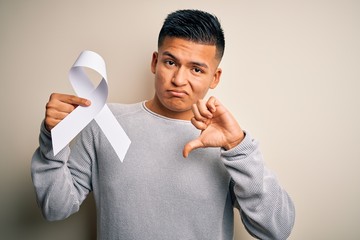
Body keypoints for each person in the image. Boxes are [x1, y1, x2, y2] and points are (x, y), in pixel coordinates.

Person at [31, 9, 295, 240]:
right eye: (171, 62)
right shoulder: (104, 123)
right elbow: (55, 208)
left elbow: (277, 230)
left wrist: (238, 147)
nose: (179, 79)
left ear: (215, 78)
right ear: (155, 62)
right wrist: (53, 138)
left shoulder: (226, 140)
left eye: (196, 69)